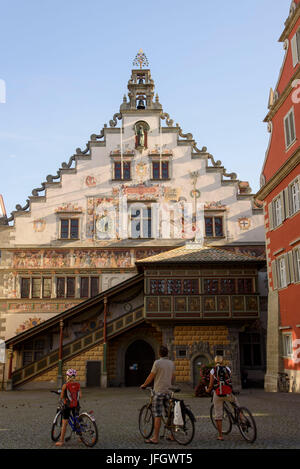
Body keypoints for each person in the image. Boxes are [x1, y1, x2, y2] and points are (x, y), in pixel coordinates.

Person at [140, 345, 175, 444]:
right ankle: (172, 435)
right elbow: (172, 377)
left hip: (159, 391)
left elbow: (151, 376)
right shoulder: (171, 363)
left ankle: (155, 438)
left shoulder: (157, 363)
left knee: (157, 415)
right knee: (170, 414)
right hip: (168, 391)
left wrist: (144, 384)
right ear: (167, 353)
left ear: (159, 353)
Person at [206, 355, 239, 441]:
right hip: (228, 392)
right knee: (236, 405)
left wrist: (208, 390)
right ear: (222, 361)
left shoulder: (213, 370)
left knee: (218, 415)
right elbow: (229, 379)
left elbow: (211, 384)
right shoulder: (227, 369)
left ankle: (220, 435)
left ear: (215, 361)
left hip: (218, 394)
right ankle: (242, 420)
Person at [55, 368, 82, 447]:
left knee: (65, 423)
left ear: (67, 376)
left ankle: (61, 441)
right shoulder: (78, 385)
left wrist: (64, 400)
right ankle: (81, 437)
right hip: (76, 404)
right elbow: (80, 396)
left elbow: (62, 396)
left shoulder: (65, 385)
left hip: (67, 405)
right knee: (77, 420)